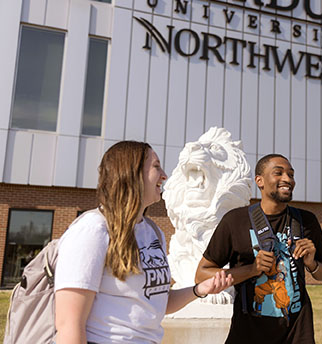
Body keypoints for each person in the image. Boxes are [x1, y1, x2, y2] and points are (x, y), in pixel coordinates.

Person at [54, 141, 233, 344]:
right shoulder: (92, 230)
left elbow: (156, 302)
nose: (164, 175)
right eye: (156, 166)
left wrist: (199, 289)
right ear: (132, 173)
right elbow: (69, 323)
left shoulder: (152, 232)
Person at [196, 154, 322, 343]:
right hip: (247, 334)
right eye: (278, 173)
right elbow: (201, 275)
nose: (287, 179)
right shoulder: (235, 221)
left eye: (291, 175)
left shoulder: (306, 221)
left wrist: (312, 263)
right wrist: (251, 270)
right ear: (259, 181)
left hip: (297, 333)